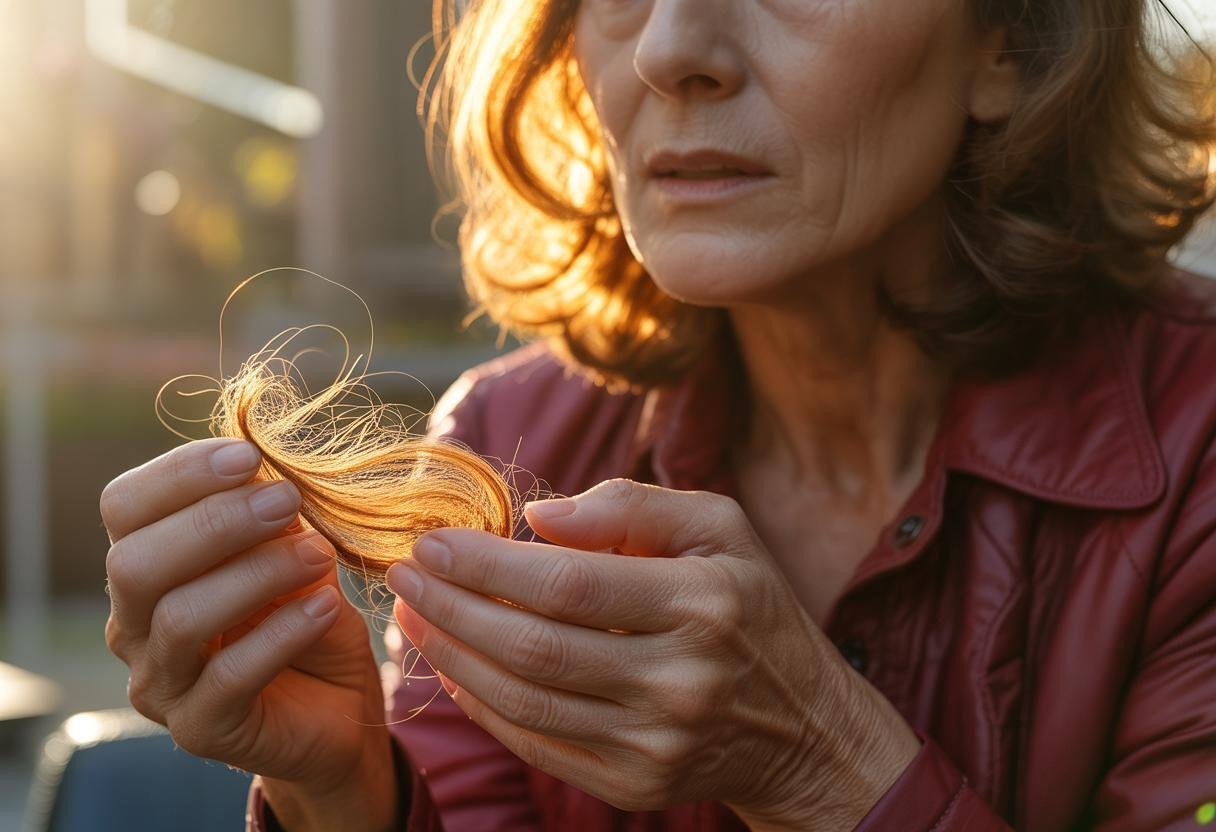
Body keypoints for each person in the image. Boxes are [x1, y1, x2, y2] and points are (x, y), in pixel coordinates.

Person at [100, 0, 1216, 829]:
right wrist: (339, 790)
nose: (672, 47)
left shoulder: (1197, 439)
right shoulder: (508, 439)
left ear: (1009, 45)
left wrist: (821, 767)